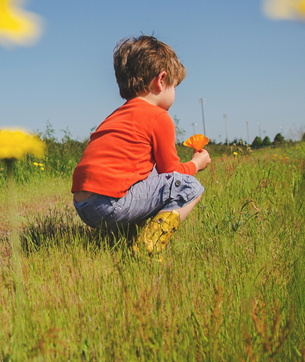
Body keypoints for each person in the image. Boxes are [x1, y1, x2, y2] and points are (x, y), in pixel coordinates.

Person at [71, 35, 211, 257]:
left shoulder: (116, 116)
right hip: (110, 205)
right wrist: (196, 163)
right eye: (175, 86)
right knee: (189, 186)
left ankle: (119, 234)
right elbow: (172, 172)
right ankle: (149, 245)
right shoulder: (158, 117)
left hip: (83, 206)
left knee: (152, 173)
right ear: (161, 80)